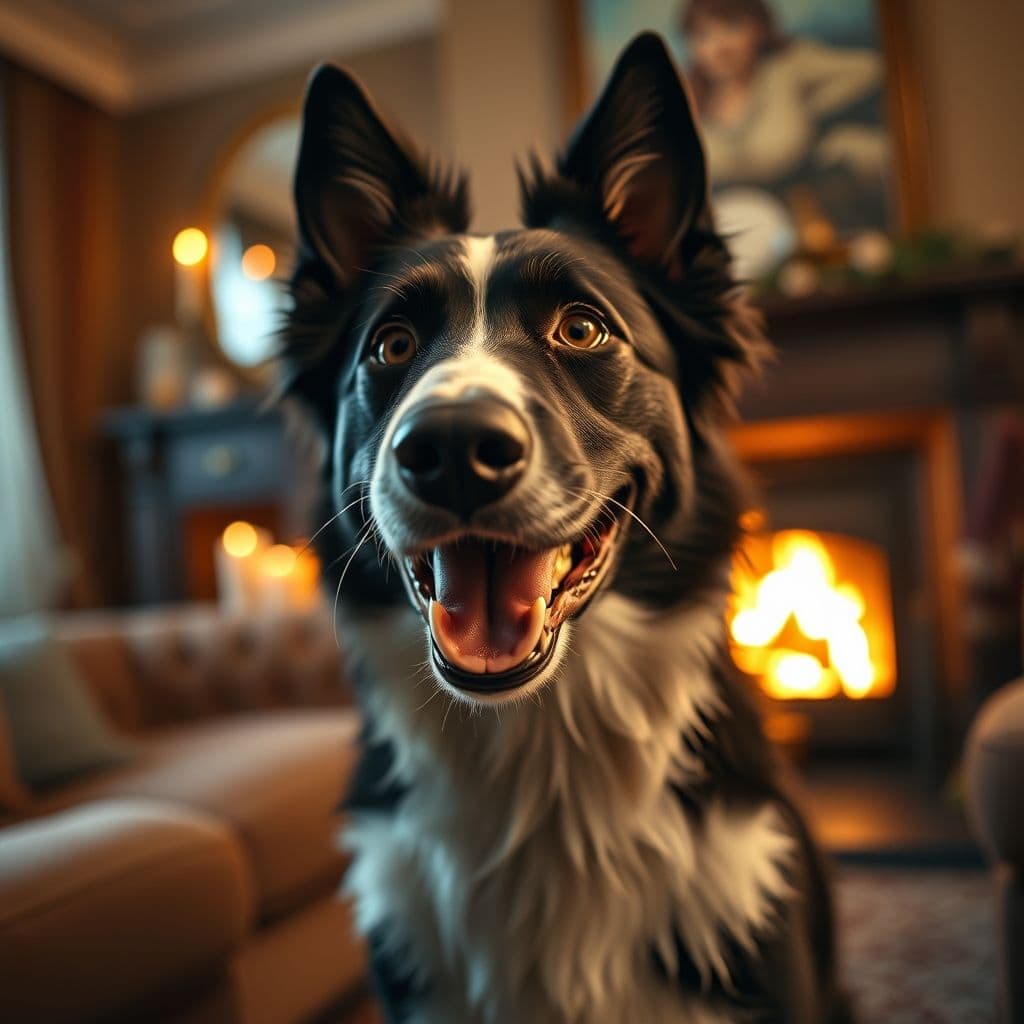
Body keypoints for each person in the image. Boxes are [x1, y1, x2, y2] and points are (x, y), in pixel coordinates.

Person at [680, 0, 889, 234]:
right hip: (733, 232)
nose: (719, 46)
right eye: (703, 34)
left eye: (732, 26)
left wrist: (814, 108)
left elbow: (872, 69)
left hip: (808, 219)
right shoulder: (689, 100)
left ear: (758, 27)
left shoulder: (787, 68)